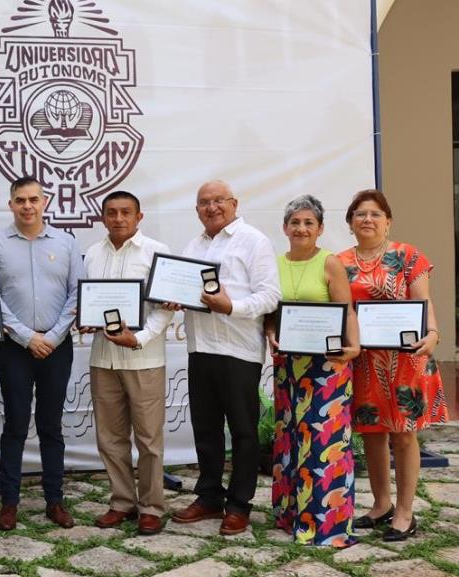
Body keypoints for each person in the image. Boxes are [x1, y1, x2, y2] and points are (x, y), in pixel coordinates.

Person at [169, 180, 281, 535]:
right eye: (204, 202)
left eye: (219, 201)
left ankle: (239, 504)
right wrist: (174, 297)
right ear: (197, 209)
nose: (212, 207)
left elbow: (270, 296)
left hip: (238, 350)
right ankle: (209, 497)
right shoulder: (193, 245)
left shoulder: (254, 241)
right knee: (206, 428)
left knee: (244, 432)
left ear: (234, 203)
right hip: (201, 347)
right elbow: (184, 287)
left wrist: (231, 306)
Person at [338, 189, 449, 542]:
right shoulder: (339, 262)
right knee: (372, 435)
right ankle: (381, 504)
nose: (366, 219)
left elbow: (423, 302)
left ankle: (404, 511)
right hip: (365, 362)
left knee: (403, 435)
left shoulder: (408, 256)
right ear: (350, 223)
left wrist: (432, 333)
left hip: (406, 360)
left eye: (374, 214)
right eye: (359, 214)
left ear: (388, 221)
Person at [0, 176, 82, 531]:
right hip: (14, 349)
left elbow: (76, 296)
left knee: (51, 426)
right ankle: (10, 501)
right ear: (11, 204)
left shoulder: (67, 243)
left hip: (57, 348)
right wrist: (28, 338)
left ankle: (54, 500)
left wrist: (52, 338)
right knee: (16, 425)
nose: (27, 206)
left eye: (34, 199)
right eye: (20, 200)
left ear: (45, 202)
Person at [264, 195, 359, 547]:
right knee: (290, 441)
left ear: (319, 229)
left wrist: (355, 347)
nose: (301, 228)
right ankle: (291, 516)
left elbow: (346, 310)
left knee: (323, 443)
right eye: (295, 222)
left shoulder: (329, 262)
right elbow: (270, 314)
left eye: (309, 223)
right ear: (285, 228)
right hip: (289, 365)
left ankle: (327, 524)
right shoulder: (274, 263)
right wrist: (270, 333)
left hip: (327, 366)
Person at [81, 191, 174, 535]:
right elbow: (90, 301)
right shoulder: (92, 254)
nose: (118, 218)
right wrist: (87, 317)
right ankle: (122, 501)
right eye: (112, 212)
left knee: (149, 439)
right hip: (103, 359)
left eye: (125, 212)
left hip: (144, 357)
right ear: (102, 217)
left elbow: (166, 307)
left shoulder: (156, 253)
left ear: (139, 217)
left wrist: (141, 338)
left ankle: (151, 506)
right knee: (110, 437)